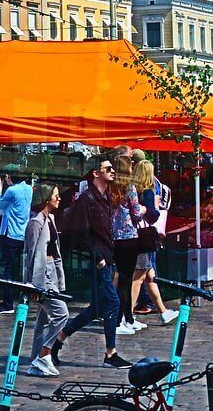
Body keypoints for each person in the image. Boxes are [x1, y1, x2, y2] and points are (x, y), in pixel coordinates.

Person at [53, 155, 131, 369]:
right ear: (96, 173)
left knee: (96, 309)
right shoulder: (87, 198)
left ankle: (57, 341)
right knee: (113, 303)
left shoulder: (105, 196)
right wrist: (97, 257)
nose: (112, 171)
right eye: (108, 168)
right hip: (99, 259)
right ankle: (110, 354)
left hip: (107, 255)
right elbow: (81, 232)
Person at [23, 183, 68, 377]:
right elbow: (31, 254)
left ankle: (36, 362)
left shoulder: (50, 218)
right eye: (56, 195)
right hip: (42, 276)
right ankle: (44, 354)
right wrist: (33, 285)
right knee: (61, 314)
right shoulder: (36, 222)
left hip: (51, 272)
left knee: (41, 322)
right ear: (46, 198)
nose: (59, 199)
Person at [131, 160, 178, 325]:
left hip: (136, 235)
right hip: (143, 237)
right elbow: (152, 215)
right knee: (138, 279)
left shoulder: (133, 190)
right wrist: (151, 209)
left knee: (150, 277)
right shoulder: (147, 192)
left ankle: (163, 312)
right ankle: (126, 317)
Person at [109, 155, 145, 335]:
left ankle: (128, 317)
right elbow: (136, 213)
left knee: (122, 277)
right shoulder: (130, 187)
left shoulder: (110, 187)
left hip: (113, 236)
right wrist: (144, 210)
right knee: (125, 279)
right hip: (129, 235)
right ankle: (118, 320)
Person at [0, 172, 33, 315]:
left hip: (11, 235)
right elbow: (11, 207)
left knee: (7, 270)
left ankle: (8, 304)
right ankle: (19, 301)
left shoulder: (12, 191)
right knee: (19, 270)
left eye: (7, 177)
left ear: (10, 178)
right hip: (23, 236)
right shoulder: (29, 189)